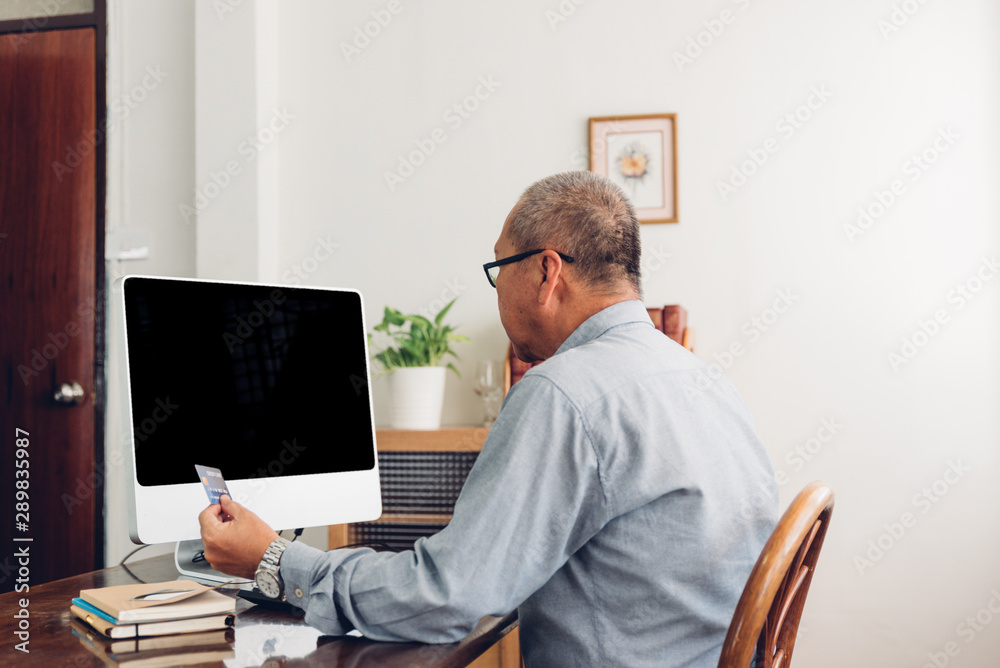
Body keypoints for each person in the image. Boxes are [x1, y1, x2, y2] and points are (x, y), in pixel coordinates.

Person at [200, 171, 778, 667]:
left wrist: (274, 560)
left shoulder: (565, 392)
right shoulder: (703, 379)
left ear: (547, 272)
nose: (496, 288)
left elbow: (448, 597)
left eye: (498, 267)